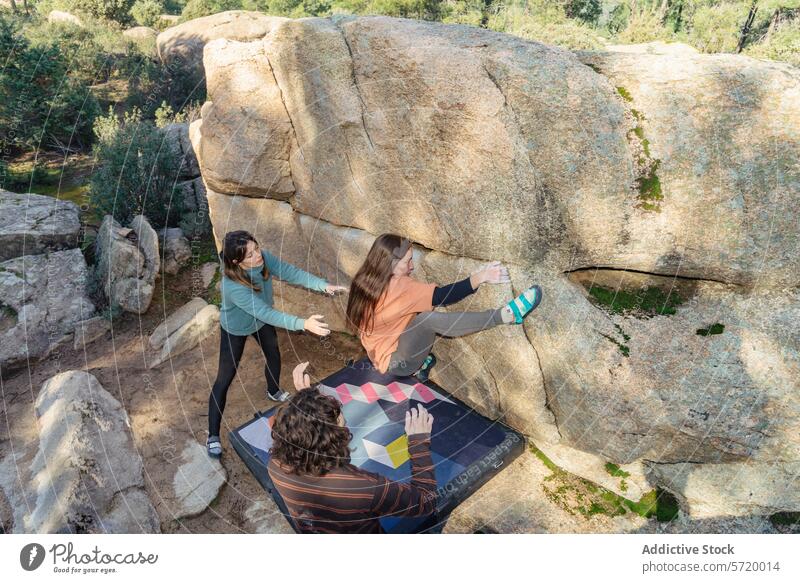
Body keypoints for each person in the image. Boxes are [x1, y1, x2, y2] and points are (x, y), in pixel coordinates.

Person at [206, 230, 347, 458]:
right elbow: (265, 312)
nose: (257, 256)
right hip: (236, 328)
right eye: (249, 255)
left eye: (257, 248)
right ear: (236, 262)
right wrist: (303, 323)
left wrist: (322, 285)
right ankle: (212, 434)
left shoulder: (263, 259)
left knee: (273, 354)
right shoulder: (232, 285)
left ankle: (273, 390)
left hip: (260, 322)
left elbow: (290, 272)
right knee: (224, 378)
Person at [267, 362, 437, 533]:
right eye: (343, 426)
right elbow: (426, 501)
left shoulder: (275, 464)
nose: (346, 430)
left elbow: (300, 431)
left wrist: (307, 401)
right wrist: (419, 442)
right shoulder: (363, 487)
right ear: (331, 442)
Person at [345, 234, 542, 380]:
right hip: (397, 363)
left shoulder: (363, 281)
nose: (412, 267)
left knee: (419, 313)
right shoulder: (400, 286)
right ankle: (505, 316)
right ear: (390, 263)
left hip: (381, 357)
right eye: (408, 262)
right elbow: (444, 296)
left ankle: (419, 365)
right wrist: (481, 277)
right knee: (426, 320)